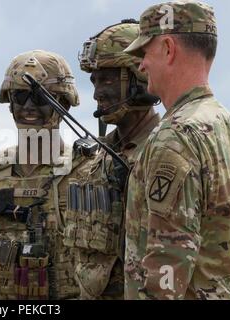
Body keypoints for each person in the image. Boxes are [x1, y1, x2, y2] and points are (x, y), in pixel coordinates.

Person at [0, 50, 90, 300]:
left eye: (40, 97)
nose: (28, 107)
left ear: (63, 103)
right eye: (20, 96)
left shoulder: (88, 177)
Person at [123, 1, 230, 299]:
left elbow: (168, 260)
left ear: (167, 48)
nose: (141, 64)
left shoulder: (175, 136)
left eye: (144, 52)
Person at [64, 20, 160, 299]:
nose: (96, 93)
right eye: (94, 81)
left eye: (107, 79)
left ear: (138, 78)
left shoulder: (163, 149)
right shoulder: (98, 156)